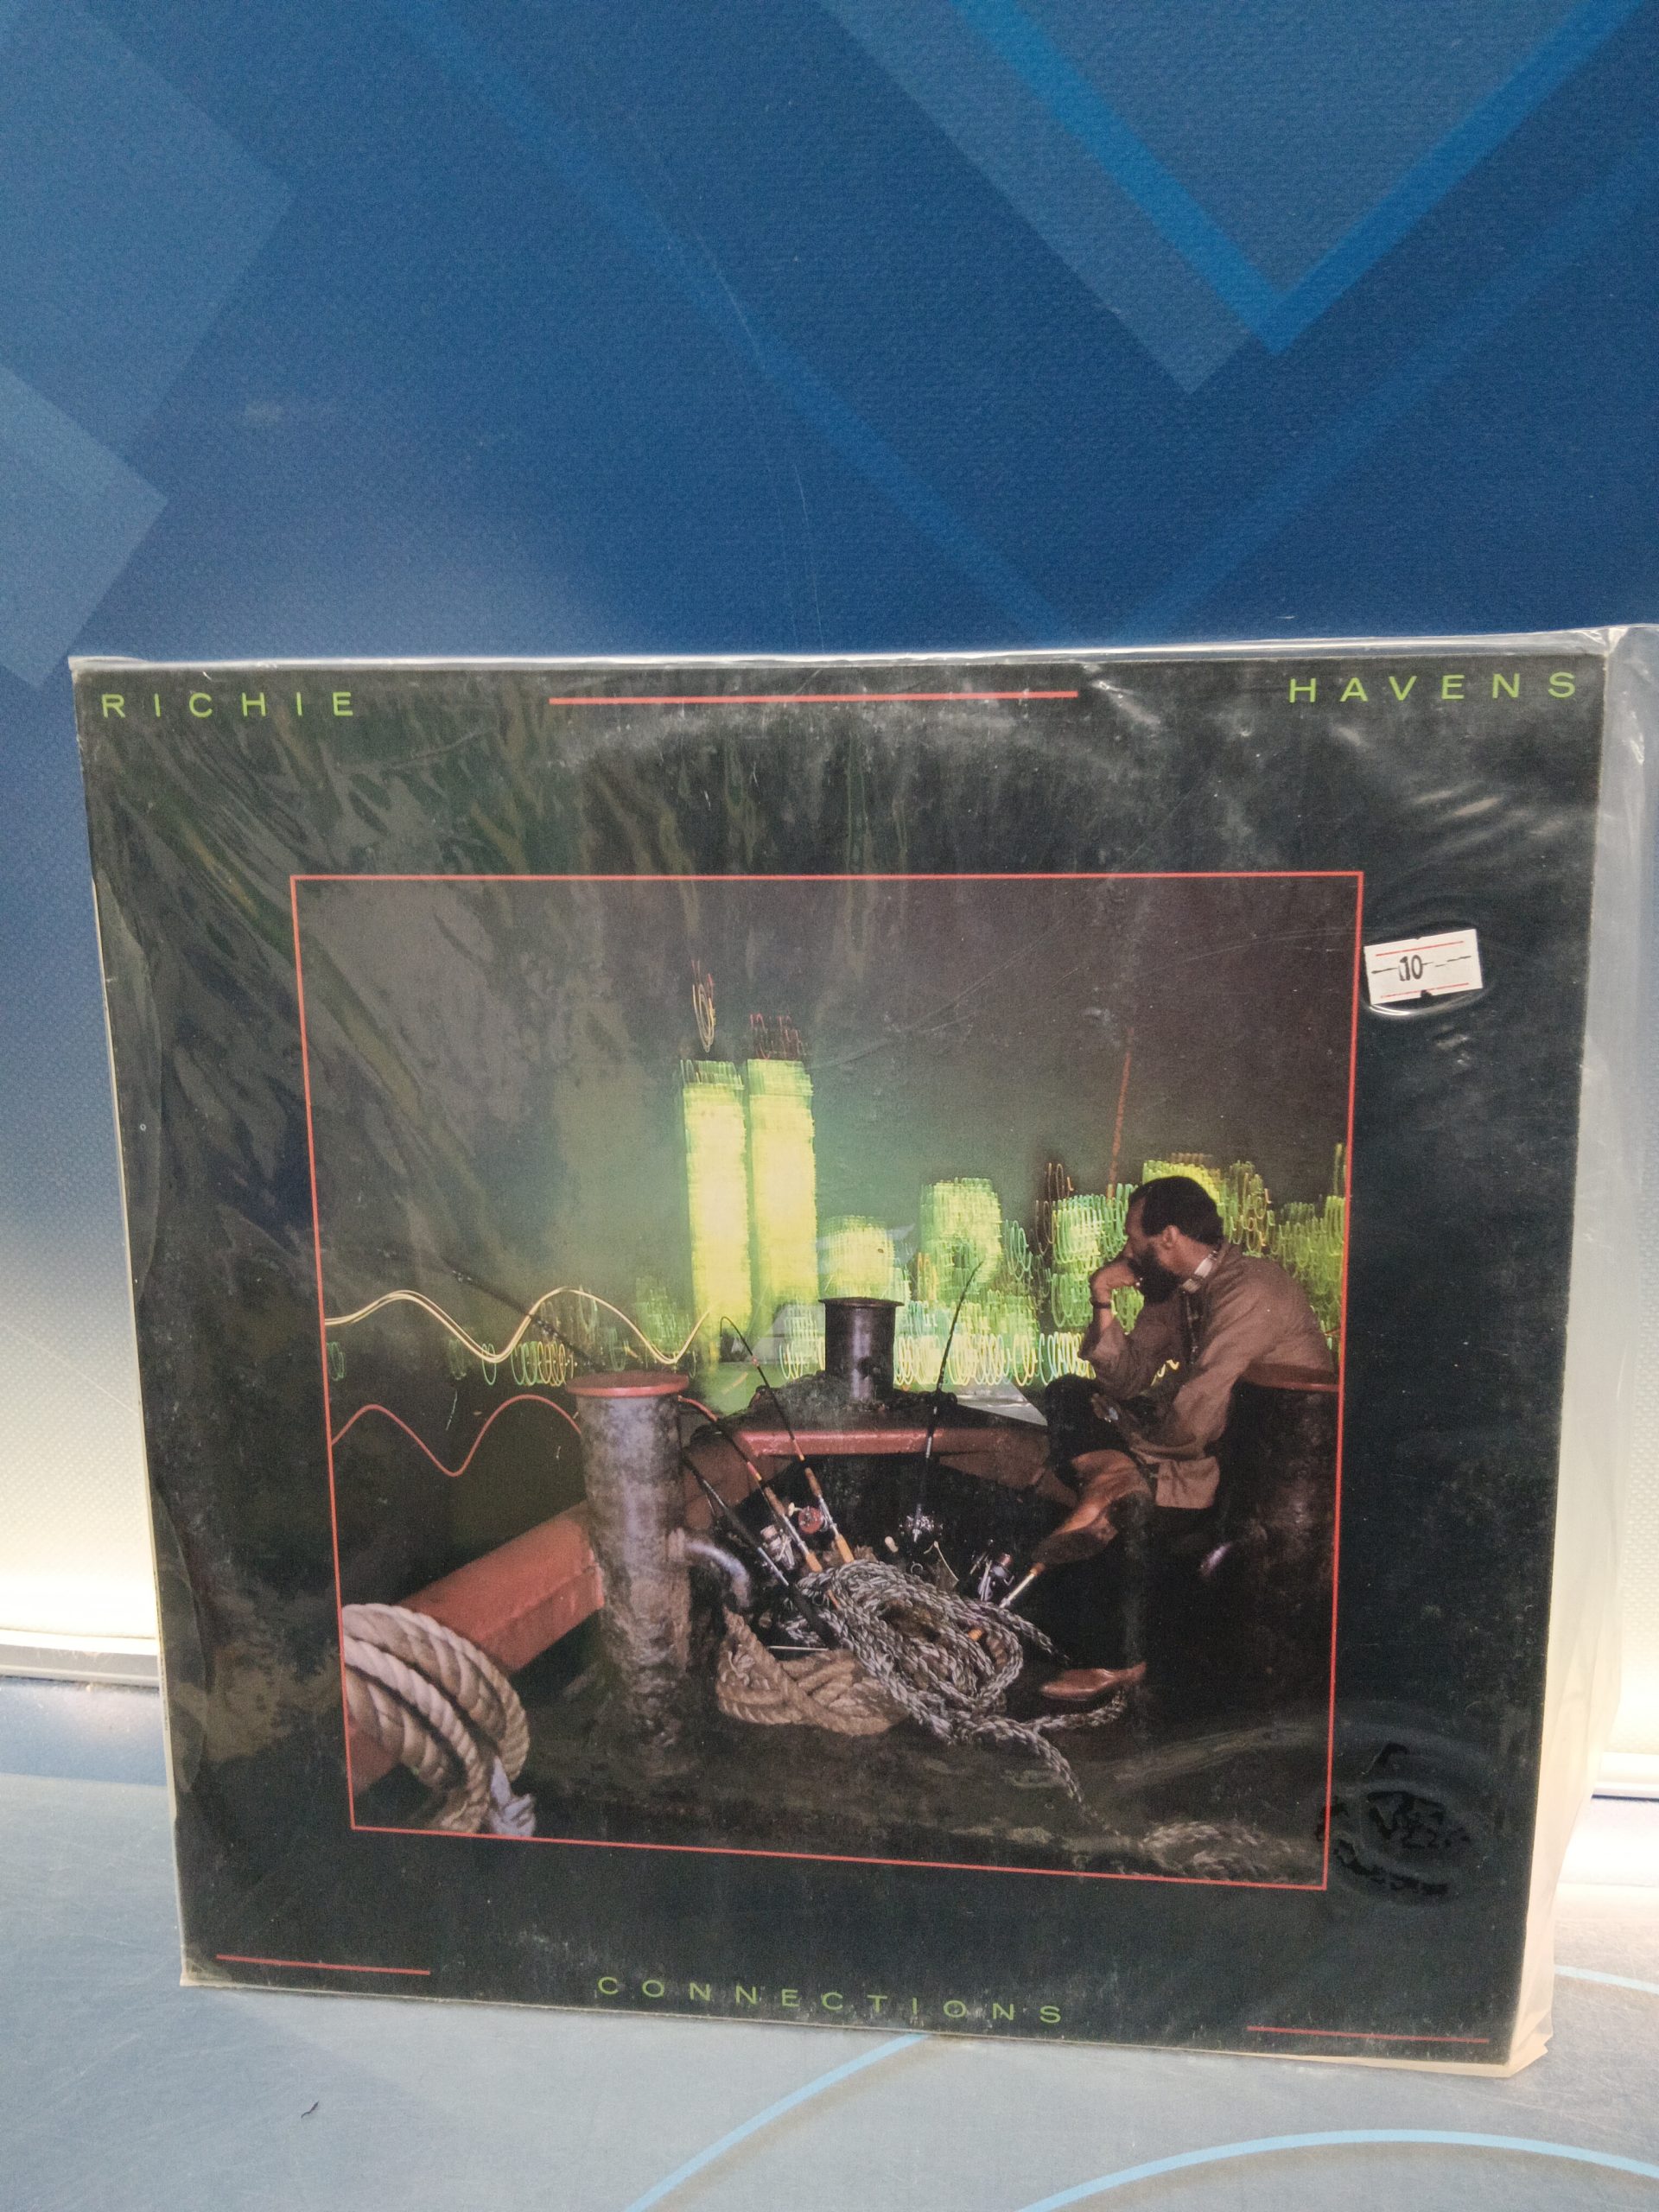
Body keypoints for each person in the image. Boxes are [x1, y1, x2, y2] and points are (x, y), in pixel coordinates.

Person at [1032, 1173, 1333, 1707]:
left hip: (1254, 1468)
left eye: (1134, 1238)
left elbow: (1199, 1415)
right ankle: (1114, 1479)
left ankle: (1118, 1657)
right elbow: (1125, 1378)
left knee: (1131, 1498)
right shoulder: (1177, 1292)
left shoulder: (1251, 1289)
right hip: (1188, 1448)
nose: (1127, 1250)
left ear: (1168, 1236)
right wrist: (1102, 1297)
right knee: (1068, 1392)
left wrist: (1134, 1442)